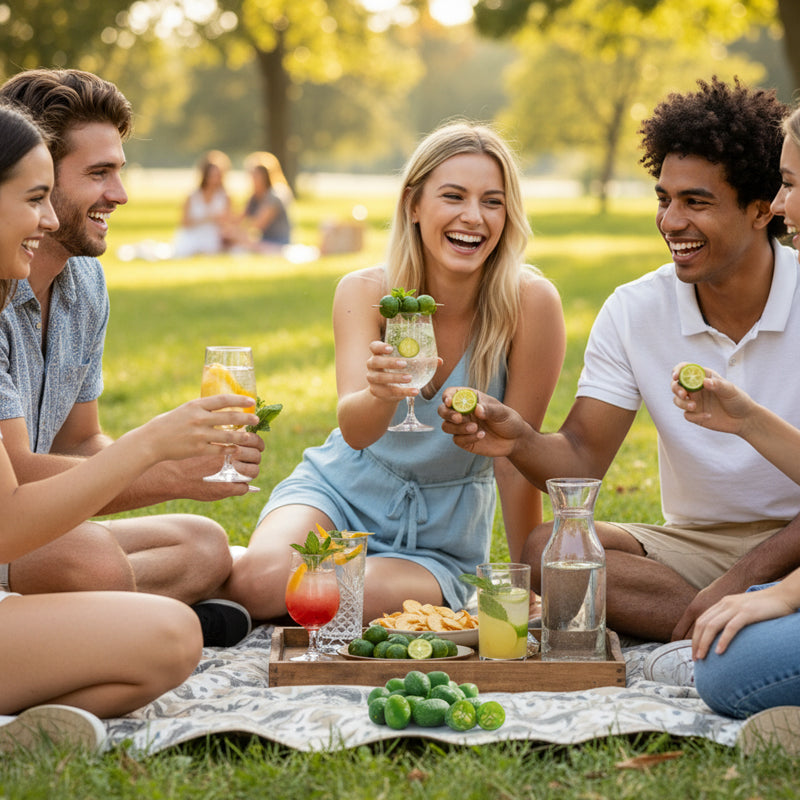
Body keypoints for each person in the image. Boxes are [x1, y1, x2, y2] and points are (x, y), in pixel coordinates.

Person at [439, 78, 799, 645]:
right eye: (664, 199)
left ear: (760, 210)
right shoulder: (635, 310)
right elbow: (582, 455)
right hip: (694, 544)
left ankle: (730, 625)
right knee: (552, 549)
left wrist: (738, 580)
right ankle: (735, 628)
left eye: (696, 202)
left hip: (794, 540)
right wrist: (519, 440)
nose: (670, 222)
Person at [225, 121, 565, 621]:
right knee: (260, 583)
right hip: (337, 494)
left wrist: (522, 583)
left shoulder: (531, 304)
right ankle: (243, 569)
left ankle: (240, 574)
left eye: (492, 202)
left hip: (439, 540)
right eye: (453, 196)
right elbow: (355, 431)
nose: (473, 217)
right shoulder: (363, 291)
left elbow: (513, 457)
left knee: (324, 591)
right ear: (413, 204)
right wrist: (381, 393)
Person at [0, 100, 257, 740]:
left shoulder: (85, 284)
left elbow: (81, 443)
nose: (119, 194)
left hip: (18, 529)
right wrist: (157, 458)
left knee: (202, 545)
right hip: (14, 529)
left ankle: (82, 640)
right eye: (98, 173)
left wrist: (179, 465)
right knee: (102, 569)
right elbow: (13, 498)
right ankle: (100, 626)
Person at [649, 106, 800, 732]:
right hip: (704, 548)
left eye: (789, 184)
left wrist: (776, 591)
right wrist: (746, 419)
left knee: (729, 668)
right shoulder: (638, 304)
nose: (783, 205)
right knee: (566, 554)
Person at [224, 152, 291, 252]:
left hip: (278, 242)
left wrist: (235, 233)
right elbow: (239, 218)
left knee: (242, 242)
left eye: (255, 176)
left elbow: (256, 225)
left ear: (265, 177)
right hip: (264, 240)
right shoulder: (255, 197)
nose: (251, 180)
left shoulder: (275, 195)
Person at [172, 150, 231, 258]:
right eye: (212, 175)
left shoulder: (225, 197)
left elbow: (227, 221)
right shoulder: (192, 196)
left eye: (218, 175)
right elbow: (184, 222)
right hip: (192, 234)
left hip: (212, 236)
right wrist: (208, 218)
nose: (215, 179)